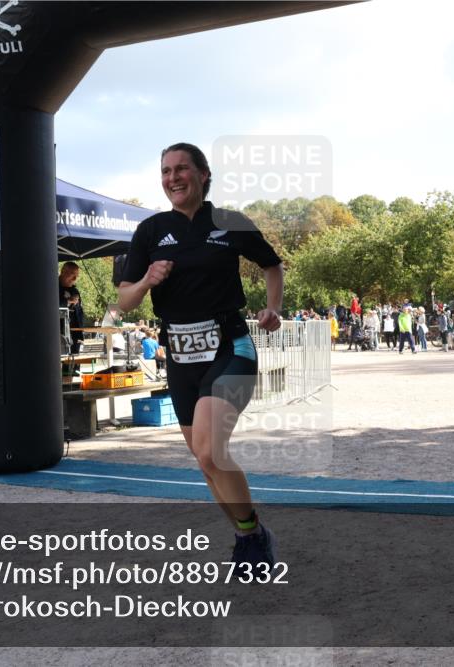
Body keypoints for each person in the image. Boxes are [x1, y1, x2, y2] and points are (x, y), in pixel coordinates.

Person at [117, 142, 283, 567]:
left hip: (231, 347)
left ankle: (252, 538)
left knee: (211, 452)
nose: (173, 178)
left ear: (203, 174)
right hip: (180, 357)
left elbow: (271, 264)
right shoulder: (151, 231)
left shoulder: (228, 222)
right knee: (205, 462)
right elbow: (125, 300)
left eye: (182, 169)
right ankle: (249, 534)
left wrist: (274, 309)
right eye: (166, 171)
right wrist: (147, 280)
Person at [59, 261, 86, 376]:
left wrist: (77, 304)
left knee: (75, 360)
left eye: (77, 275)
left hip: (75, 331)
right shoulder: (52, 286)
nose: (75, 278)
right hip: (60, 332)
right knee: (62, 359)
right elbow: (49, 305)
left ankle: (74, 377)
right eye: (72, 274)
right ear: (63, 272)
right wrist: (67, 302)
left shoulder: (75, 290)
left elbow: (80, 312)